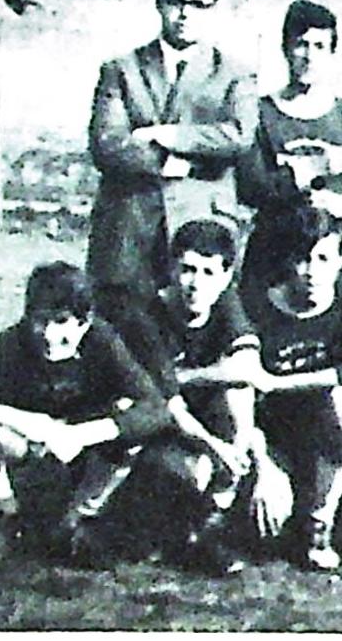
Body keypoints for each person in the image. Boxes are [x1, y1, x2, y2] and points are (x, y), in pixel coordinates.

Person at [0, 262, 172, 565]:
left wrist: (79, 435)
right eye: (40, 321)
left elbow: (155, 407)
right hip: (21, 453)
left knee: (127, 419)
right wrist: (21, 420)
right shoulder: (15, 341)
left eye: (61, 322)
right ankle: (0, 513)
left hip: (76, 458)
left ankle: (78, 518)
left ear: (85, 322)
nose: (49, 334)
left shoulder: (103, 342)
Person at [87, 0, 257, 326]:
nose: (185, 13)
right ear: (159, 2)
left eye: (198, 5)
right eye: (176, 1)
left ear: (212, 10)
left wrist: (171, 135)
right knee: (119, 332)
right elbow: (108, 144)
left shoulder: (235, 75)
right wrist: (171, 162)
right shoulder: (121, 69)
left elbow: (239, 135)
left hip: (201, 225)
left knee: (199, 334)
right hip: (129, 226)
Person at [111, 220, 268, 575]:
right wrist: (215, 447)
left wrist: (238, 449)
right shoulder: (146, 315)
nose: (196, 283)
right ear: (171, 269)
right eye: (187, 269)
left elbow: (246, 370)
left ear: (226, 277)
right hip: (154, 422)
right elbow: (166, 399)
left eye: (209, 272)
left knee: (236, 391)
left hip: (202, 419)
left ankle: (217, 509)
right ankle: (186, 535)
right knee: (187, 468)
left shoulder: (226, 304)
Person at [232, 209, 342, 570]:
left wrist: (276, 381)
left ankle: (320, 519)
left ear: (340, 261)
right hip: (271, 430)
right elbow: (243, 390)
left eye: (323, 259)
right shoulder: (257, 301)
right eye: (303, 259)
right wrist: (264, 467)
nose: (311, 272)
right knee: (267, 529)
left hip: (321, 427)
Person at [237, 0, 342, 318]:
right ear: (286, 49)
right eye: (301, 44)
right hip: (272, 253)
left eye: (319, 46)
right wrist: (312, 169)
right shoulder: (260, 113)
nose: (309, 56)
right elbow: (251, 186)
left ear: (332, 53)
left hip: (329, 258)